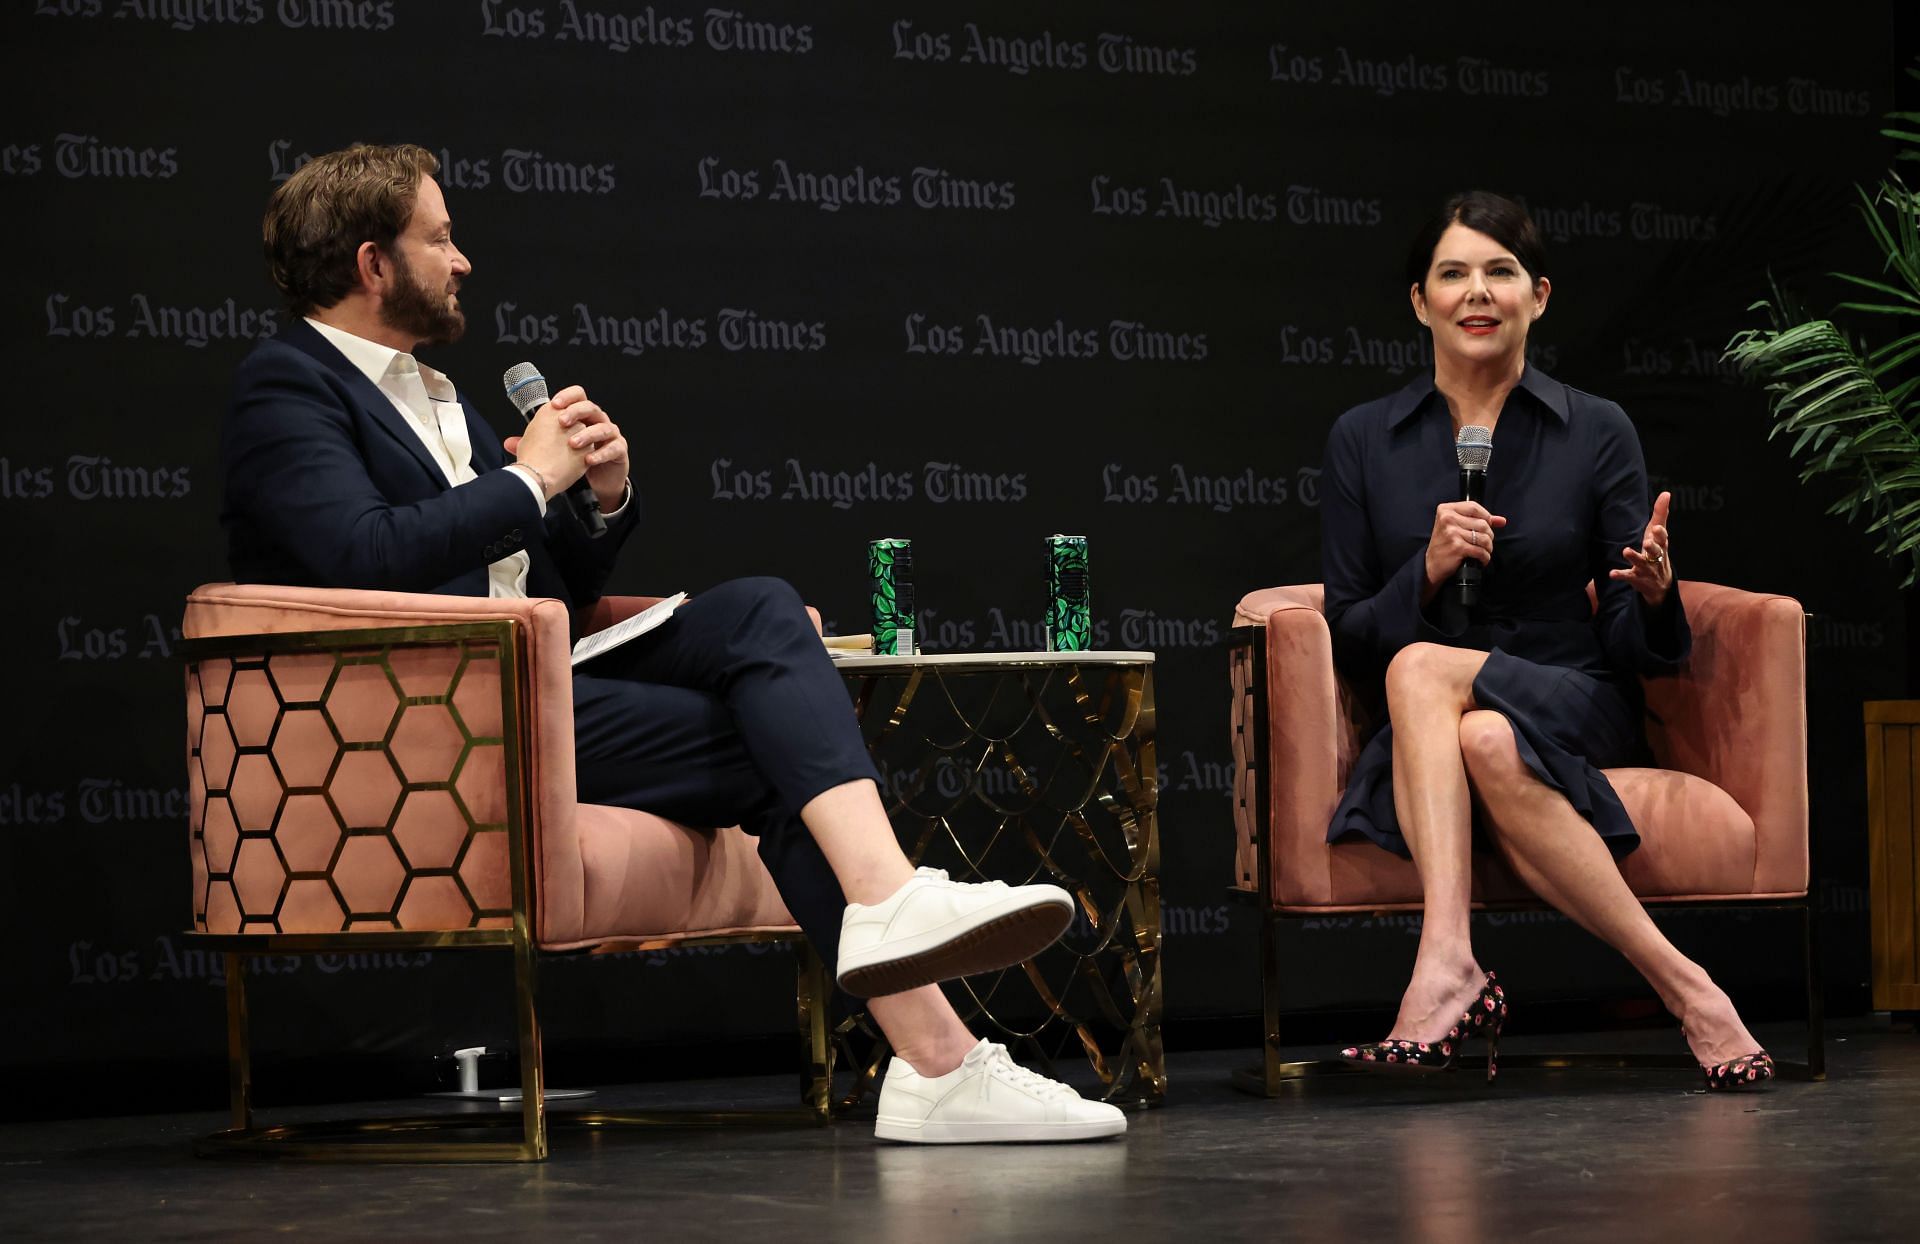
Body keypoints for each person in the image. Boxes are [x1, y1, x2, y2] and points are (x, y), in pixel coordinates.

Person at [222, 143, 1126, 1141]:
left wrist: (598, 501)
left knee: (760, 610)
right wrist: (531, 483)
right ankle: (938, 1057)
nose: (463, 258)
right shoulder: (289, 386)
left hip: (533, 674)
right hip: (434, 715)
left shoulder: (436, 394)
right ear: (372, 262)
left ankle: (900, 933)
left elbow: (547, 585)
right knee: (773, 750)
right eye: (440, 238)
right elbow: (360, 556)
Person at [1319, 190, 1772, 1091]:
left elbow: (1630, 644)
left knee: (1426, 671)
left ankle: (1446, 963)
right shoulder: (1363, 440)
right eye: (1453, 273)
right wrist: (1429, 575)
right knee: (1477, 731)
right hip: (1433, 731)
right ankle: (1692, 989)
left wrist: (1652, 594)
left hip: (1575, 697)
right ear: (1420, 302)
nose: (1476, 292)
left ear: (1539, 295)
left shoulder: (1596, 429)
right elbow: (1348, 635)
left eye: (1500, 272)